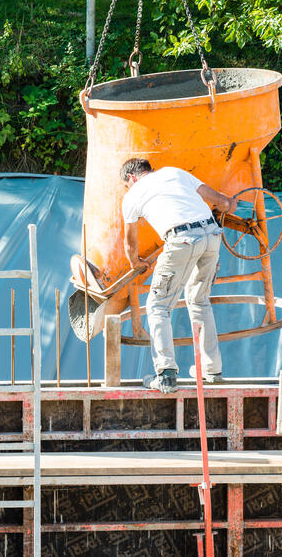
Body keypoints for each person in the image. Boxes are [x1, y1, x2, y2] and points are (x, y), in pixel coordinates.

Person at [120, 158, 236, 393]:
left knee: (158, 306)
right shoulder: (175, 171)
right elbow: (223, 202)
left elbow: (130, 242)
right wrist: (229, 204)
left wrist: (137, 263)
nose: (128, 188)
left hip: (181, 240)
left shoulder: (132, 195)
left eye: (126, 184)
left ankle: (165, 374)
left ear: (131, 178)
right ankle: (212, 371)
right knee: (199, 301)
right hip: (212, 236)